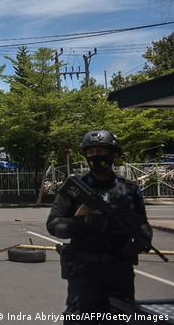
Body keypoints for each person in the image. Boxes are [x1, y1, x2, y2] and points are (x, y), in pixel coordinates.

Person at [47, 130, 153, 324]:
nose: (96, 156)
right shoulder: (76, 188)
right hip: (85, 272)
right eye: (92, 152)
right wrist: (82, 223)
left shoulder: (128, 190)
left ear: (114, 154)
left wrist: (141, 239)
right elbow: (54, 225)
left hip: (120, 271)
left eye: (101, 150)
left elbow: (142, 224)